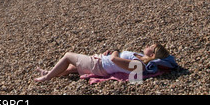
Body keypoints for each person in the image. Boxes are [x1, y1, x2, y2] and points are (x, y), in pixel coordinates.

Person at [34, 43, 173, 82]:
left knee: (68, 56)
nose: (148, 46)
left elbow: (114, 59)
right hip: (101, 63)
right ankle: (49, 73)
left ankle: (46, 77)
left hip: (99, 65)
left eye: (151, 47)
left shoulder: (140, 65)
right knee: (71, 67)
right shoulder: (141, 58)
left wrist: (115, 51)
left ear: (153, 55)